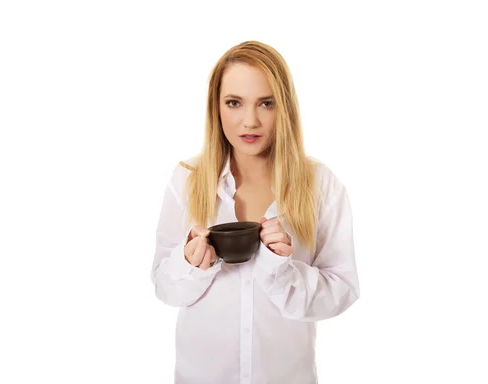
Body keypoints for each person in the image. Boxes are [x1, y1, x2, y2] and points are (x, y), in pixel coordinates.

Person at [151, 40, 360, 384]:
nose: (250, 121)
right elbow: (163, 285)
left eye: (266, 103)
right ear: (216, 108)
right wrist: (189, 264)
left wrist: (283, 271)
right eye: (234, 103)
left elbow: (342, 291)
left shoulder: (321, 185)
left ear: (285, 107)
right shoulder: (186, 179)